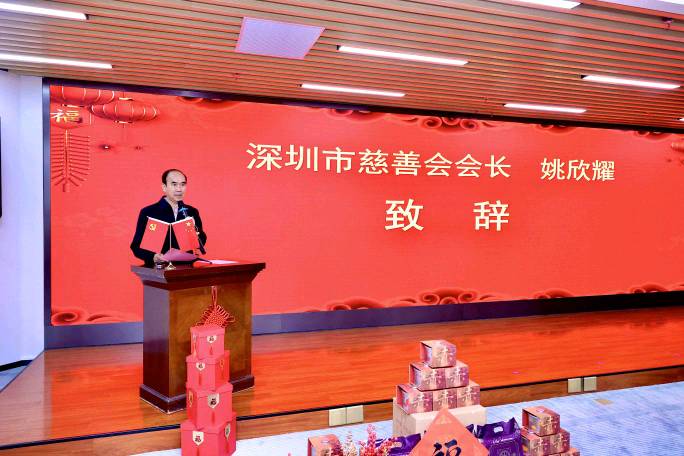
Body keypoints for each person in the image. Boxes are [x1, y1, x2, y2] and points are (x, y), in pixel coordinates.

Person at [130, 169, 207, 266]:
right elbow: (136, 246)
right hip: (158, 268)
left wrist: (196, 234)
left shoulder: (191, 211)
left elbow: (201, 241)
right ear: (164, 187)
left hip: (186, 267)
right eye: (174, 184)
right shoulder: (149, 212)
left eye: (183, 184)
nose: (179, 189)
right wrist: (153, 257)